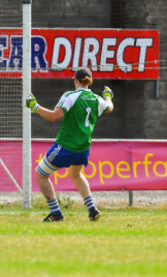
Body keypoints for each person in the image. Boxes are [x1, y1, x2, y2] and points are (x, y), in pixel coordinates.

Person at [25, 67, 114, 222]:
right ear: (90, 81)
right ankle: (92, 209)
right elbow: (109, 107)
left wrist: (35, 107)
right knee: (75, 175)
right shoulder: (96, 99)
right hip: (83, 148)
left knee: (40, 174)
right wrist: (108, 97)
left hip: (65, 146)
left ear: (75, 80)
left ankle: (55, 213)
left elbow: (55, 116)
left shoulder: (70, 96)